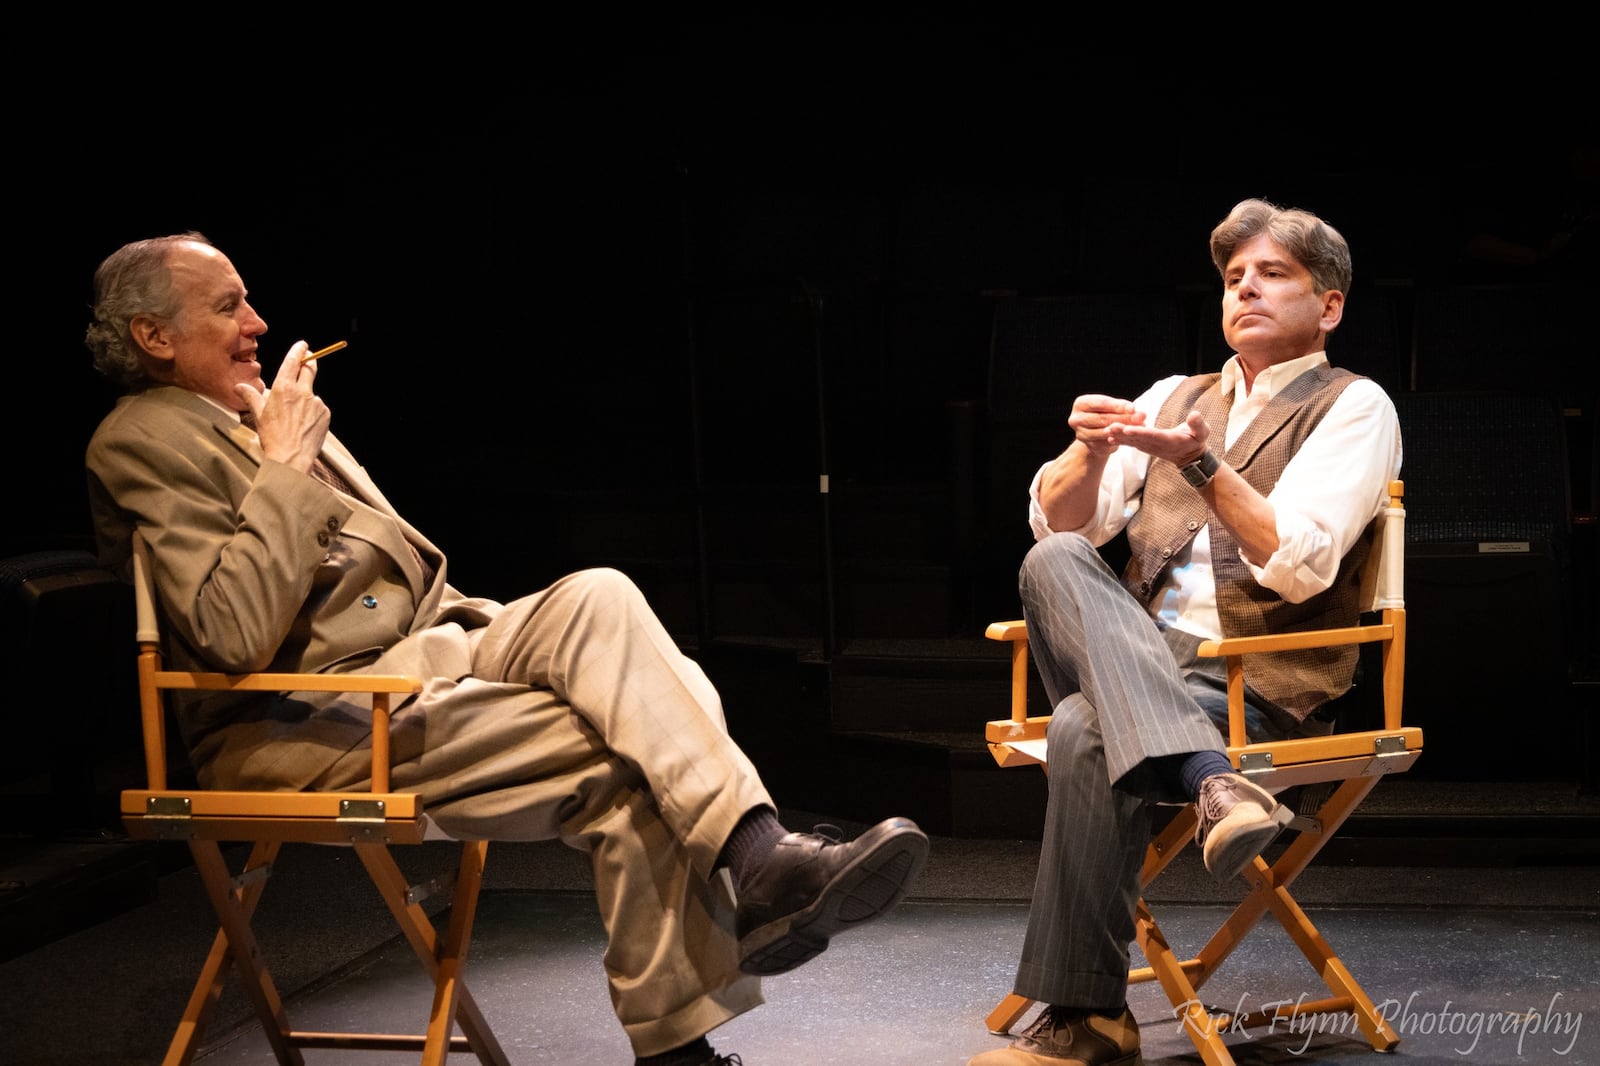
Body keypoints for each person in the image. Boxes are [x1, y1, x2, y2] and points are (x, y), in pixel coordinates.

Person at [82, 233, 930, 1066]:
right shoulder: (142, 441)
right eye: (229, 306)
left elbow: (403, 581)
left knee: (599, 592)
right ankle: (701, 1000)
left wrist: (485, 630)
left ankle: (762, 856)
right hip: (301, 715)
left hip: (419, 659)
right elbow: (231, 637)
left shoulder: (261, 419)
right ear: (154, 337)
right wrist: (285, 466)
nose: (259, 322)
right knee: (627, 758)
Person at [969, 199, 1402, 1066]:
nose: (1246, 288)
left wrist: (1199, 463)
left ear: (1330, 305)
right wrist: (1090, 453)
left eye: (1272, 273)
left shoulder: (1356, 408)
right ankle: (1213, 784)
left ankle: (1088, 1021)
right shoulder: (1175, 394)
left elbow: (1300, 563)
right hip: (1143, 664)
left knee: (1084, 729)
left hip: (1254, 684)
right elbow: (1061, 527)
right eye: (1234, 277)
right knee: (1052, 563)